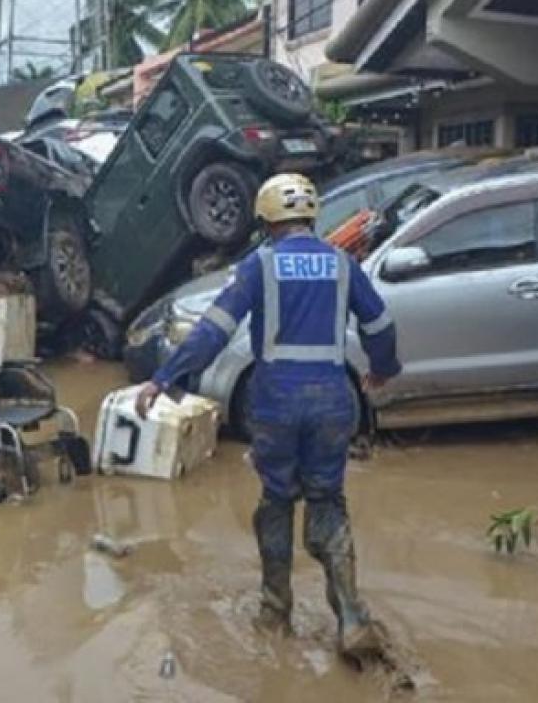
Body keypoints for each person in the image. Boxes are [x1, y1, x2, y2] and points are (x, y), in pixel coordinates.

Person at [135, 172, 401, 661]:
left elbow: (213, 331)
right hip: (331, 399)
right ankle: (352, 618)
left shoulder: (259, 265)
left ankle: (275, 612)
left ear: (267, 219)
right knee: (329, 501)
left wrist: (164, 378)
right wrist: (383, 370)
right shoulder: (344, 264)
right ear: (310, 215)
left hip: (276, 401)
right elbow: (380, 323)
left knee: (276, 500)